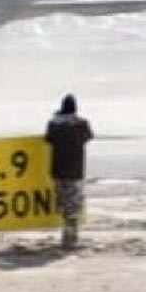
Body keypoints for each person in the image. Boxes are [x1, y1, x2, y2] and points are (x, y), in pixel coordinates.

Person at [45, 93, 93, 248]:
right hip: (76, 169)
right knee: (73, 203)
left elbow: (49, 139)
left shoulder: (54, 124)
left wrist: (57, 118)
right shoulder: (81, 123)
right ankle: (71, 237)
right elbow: (88, 137)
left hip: (58, 168)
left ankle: (67, 235)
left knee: (63, 200)